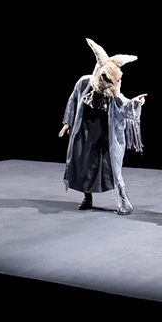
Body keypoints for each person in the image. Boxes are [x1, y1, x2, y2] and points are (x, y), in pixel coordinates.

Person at [59, 38, 147, 215]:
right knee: (83, 163)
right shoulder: (84, 83)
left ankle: (123, 200)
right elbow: (73, 100)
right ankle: (87, 197)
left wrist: (135, 103)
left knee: (112, 166)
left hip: (104, 134)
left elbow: (124, 104)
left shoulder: (113, 94)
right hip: (84, 131)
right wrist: (67, 123)